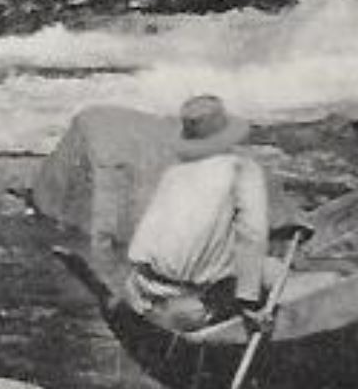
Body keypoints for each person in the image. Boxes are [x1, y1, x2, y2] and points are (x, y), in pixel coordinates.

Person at [118, 95, 294, 333]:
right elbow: (252, 234)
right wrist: (248, 303)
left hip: (141, 291)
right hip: (188, 303)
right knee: (276, 273)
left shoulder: (174, 174)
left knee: (249, 265)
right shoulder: (242, 169)